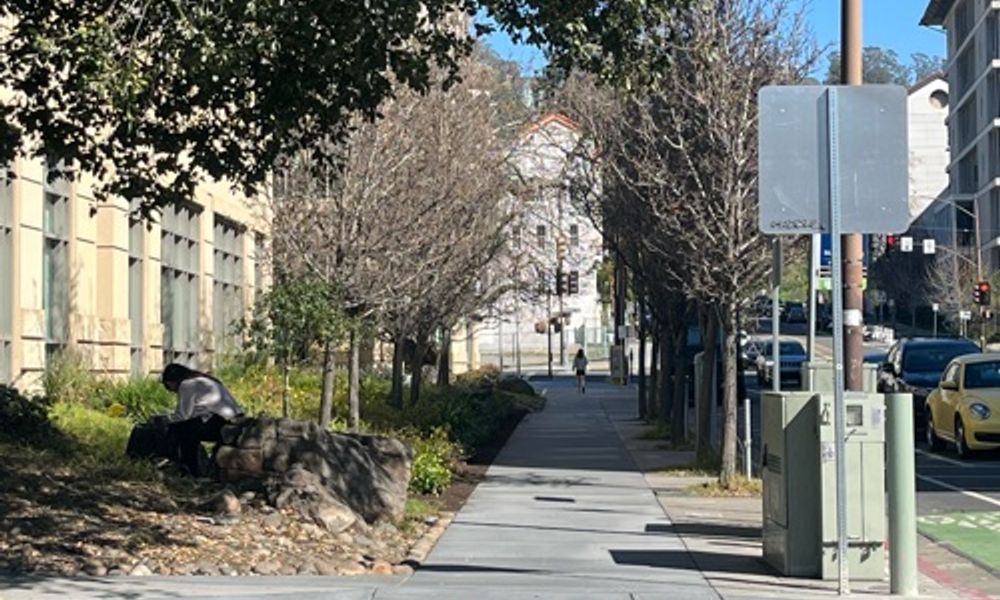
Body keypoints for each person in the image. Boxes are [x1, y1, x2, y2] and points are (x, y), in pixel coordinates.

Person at [161, 363, 245, 476]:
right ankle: (188, 467)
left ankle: (187, 469)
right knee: (187, 428)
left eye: (169, 387)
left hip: (222, 421)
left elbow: (183, 415)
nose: (171, 391)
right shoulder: (203, 381)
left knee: (181, 430)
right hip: (233, 419)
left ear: (171, 381)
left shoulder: (187, 385)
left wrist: (165, 420)